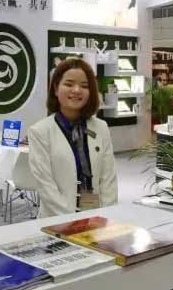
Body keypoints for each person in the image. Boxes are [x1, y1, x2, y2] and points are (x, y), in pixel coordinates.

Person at [28, 57, 118, 218]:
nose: (76, 90)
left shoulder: (101, 128)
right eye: (69, 84)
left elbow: (108, 179)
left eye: (84, 86)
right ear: (56, 89)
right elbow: (45, 186)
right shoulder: (40, 131)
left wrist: (106, 215)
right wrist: (72, 220)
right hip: (56, 220)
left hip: (95, 218)